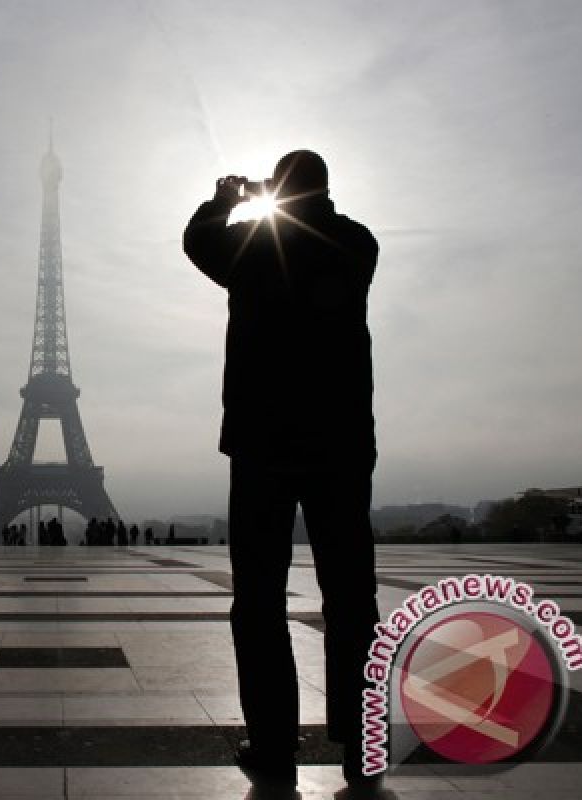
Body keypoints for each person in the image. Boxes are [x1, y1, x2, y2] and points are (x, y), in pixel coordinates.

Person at [184, 150, 380, 792]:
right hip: (341, 443)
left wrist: (232, 197)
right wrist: (287, 199)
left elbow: (198, 240)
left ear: (282, 189)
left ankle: (273, 745)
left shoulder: (252, 246)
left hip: (264, 443)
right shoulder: (357, 243)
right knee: (352, 600)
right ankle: (361, 745)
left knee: (260, 601)